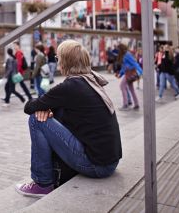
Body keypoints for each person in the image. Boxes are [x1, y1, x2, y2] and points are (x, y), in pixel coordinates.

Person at [15, 40, 121, 198]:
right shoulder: (90, 81)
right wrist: (48, 108)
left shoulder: (70, 86)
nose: (57, 63)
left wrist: (44, 108)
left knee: (36, 119)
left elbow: (30, 107)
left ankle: (42, 183)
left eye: (58, 59)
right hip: (109, 162)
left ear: (65, 62)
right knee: (45, 114)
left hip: (96, 166)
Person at [116, 43, 141, 111]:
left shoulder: (127, 54)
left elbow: (134, 63)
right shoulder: (125, 55)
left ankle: (125, 104)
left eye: (118, 49)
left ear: (121, 49)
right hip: (128, 74)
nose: (117, 51)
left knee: (122, 86)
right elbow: (124, 67)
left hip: (130, 73)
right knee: (131, 89)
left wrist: (140, 71)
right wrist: (120, 74)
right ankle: (136, 104)